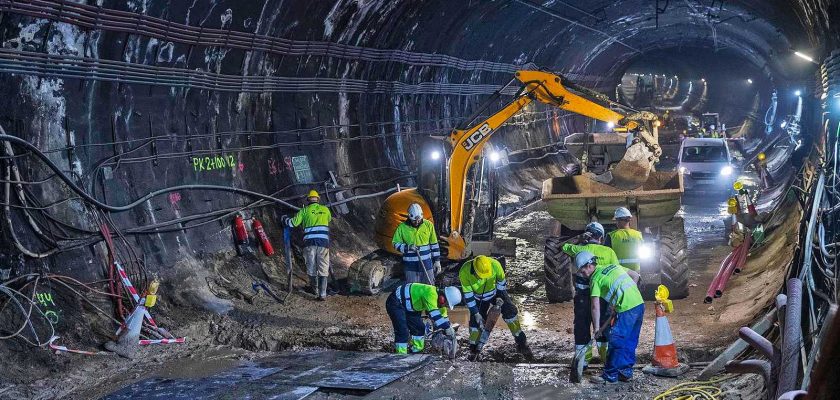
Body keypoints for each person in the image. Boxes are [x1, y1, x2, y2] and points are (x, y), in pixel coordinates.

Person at [574, 251, 644, 384]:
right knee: (630, 341)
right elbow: (635, 275)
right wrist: (627, 294)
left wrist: (597, 329)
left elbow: (595, 307)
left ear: (589, 265)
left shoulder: (595, 279)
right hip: (639, 304)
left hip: (626, 309)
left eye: (582, 271)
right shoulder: (612, 266)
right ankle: (625, 372)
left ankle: (610, 375)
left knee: (616, 341)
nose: (583, 275)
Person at [561, 222, 619, 364]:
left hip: (582, 297)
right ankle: (607, 361)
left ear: (588, 236)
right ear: (601, 237)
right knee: (604, 327)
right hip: (603, 297)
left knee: (581, 326)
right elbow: (616, 273)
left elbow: (563, 246)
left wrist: (579, 239)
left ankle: (583, 361)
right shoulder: (609, 252)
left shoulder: (579, 249)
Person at [459, 255, 532, 358]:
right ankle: (474, 348)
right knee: (476, 324)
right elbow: (468, 296)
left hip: (496, 293)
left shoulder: (496, 265)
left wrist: (500, 297)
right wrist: (476, 313)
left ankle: (521, 342)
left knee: (510, 312)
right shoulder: (464, 271)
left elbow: (501, 285)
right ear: (474, 270)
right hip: (478, 298)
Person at [283, 189, 332, 301]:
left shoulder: (304, 211)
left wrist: (285, 219)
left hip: (309, 243)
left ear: (308, 200)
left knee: (311, 267)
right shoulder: (325, 209)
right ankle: (323, 294)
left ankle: (314, 290)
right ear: (318, 199)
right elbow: (328, 219)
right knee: (324, 268)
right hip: (323, 243)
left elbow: (293, 223)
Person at [386, 283, 461, 354]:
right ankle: (400, 355)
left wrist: (450, 330)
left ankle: (416, 351)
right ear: (442, 297)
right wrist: (447, 328)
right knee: (402, 330)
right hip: (396, 302)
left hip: (411, 306)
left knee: (419, 328)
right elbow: (436, 316)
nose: (445, 305)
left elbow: (444, 319)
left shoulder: (441, 304)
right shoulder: (430, 293)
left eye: (447, 305)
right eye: (446, 303)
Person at [392, 203, 441, 284]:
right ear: (409, 217)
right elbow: (395, 243)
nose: (417, 222)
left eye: (419, 220)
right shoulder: (402, 227)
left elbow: (434, 244)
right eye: (414, 220)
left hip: (427, 265)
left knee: (429, 288)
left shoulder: (428, 225)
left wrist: (437, 261)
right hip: (410, 267)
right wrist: (408, 247)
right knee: (413, 290)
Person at [606, 207, 646, 273]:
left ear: (618, 220)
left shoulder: (611, 236)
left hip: (618, 272)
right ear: (629, 219)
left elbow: (607, 255)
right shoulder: (638, 234)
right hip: (636, 272)